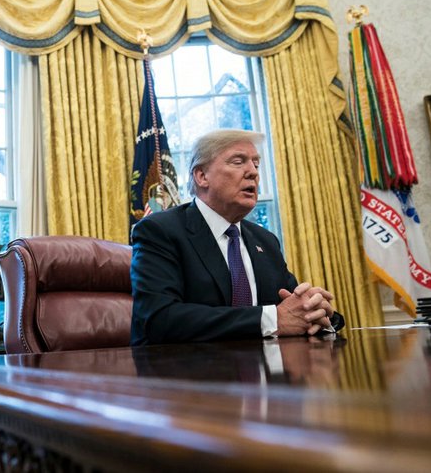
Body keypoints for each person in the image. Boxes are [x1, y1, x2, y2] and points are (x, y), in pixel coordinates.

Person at [131, 129, 344, 345]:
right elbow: (160, 319)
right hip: (185, 371)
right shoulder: (159, 231)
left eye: (256, 164)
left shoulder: (265, 241)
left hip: (263, 369)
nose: (253, 172)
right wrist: (271, 319)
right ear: (202, 176)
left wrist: (317, 315)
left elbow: (291, 309)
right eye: (238, 162)